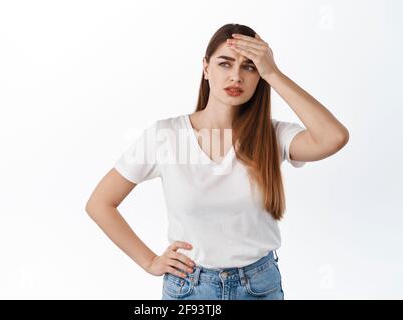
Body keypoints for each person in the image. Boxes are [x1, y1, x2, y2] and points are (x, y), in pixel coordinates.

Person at [85, 23, 349, 300]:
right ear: (206, 67)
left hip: (259, 287)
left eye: (249, 67)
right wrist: (150, 261)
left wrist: (272, 72)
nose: (236, 76)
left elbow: (334, 137)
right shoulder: (166, 136)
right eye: (225, 63)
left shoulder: (273, 135)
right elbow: (100, 204)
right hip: (189, 286)